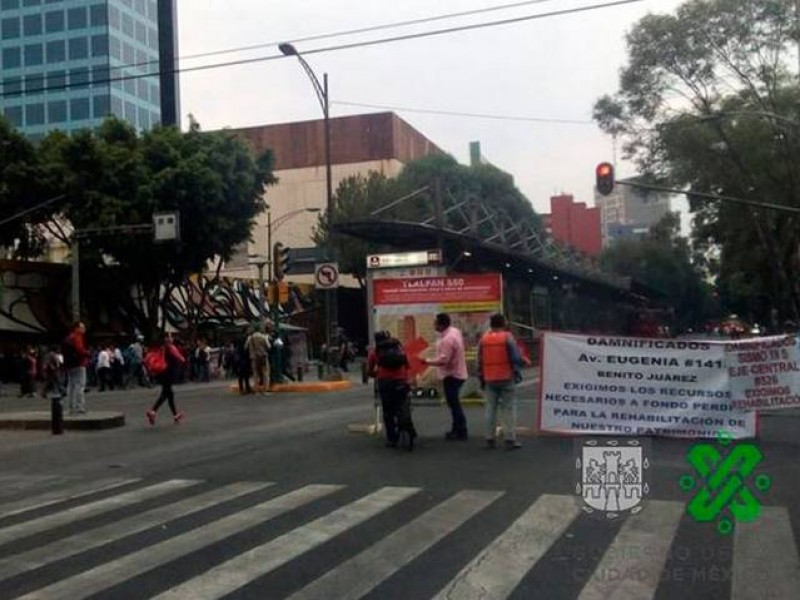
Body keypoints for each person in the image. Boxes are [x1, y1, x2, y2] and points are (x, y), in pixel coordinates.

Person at [478, 313, 525, 450]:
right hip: (506, 377)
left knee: (490, 408)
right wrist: (518, 368)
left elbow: (479, 360)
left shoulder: (484, 339)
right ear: (503, 323)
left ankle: (489, 439)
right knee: (508, 408)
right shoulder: (507, 337)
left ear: (491, 324)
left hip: (489, 378)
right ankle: (510, 439)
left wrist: (481, 376)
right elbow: (515, 357)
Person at [422, 313, 469, 440]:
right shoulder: (455, 332)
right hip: (459, 372)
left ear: (441, 325)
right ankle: (457, 429)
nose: (434, 325)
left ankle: (461, 430)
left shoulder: (447, 340)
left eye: (435, 323)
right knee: (454, 403)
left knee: (454, 404)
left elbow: (443, 361)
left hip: (452, 375)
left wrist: (426, 361)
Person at [368, 331, 416, 450]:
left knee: (388, 412)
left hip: (385, 383)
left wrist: (377, 374)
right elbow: (408, 365)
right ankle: (409, 429)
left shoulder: (375, 351)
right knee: (403, 405)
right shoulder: (399, 348)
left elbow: (369, 370)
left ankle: (392, 439)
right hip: (401, 381)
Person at [146, 332, 187, 425]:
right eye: (170, 336)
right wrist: (183, 363)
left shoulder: (160, 347)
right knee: (166, 394)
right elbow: (180, 358)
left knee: (169, 394)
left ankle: (175, 415)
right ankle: (152, 411)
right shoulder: (169, 347)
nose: (171, 338)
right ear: (166, 338)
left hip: (161, 373)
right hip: (167, 373)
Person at [62, 321, 90, 414]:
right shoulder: (77, 337)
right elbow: (80, 349)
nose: (84, 329)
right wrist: (87, 353)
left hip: (69, 365)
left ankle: (71, 407)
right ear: (77, 328)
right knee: (80, 385)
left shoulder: (68, 338)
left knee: (71, 385)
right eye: (82, 327)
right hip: (79, 363)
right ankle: (80, 407)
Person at [245, 323, 271, 391]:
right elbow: (268, 346)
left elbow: (245, 347)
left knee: (255, 374)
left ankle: (256, 389)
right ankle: (266, 389)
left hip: (253, 358)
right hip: (263, 357)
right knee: (265, 373)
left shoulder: (250, 338)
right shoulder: (263, 337)